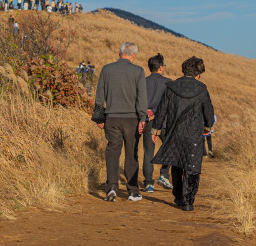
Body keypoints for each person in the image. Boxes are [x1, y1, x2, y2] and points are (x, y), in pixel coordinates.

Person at [152, 56, 215, 212]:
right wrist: (208, 126)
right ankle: (188, 201)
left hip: (174, 132)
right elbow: (208, 111)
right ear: (198, 74)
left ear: (184, 70)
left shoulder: (171, 87)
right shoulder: (202, 89)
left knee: (177, 164)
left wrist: (156, 129)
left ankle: (178, 197)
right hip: (193, 133)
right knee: (192, 167)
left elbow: (162, 110)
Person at [91, 43, 148, 202]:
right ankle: (133, 191)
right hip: (132, 120)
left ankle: (112, 187)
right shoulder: (138, 71)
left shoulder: (107, 69)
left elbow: (99, 95)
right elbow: (142, 98)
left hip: (112, 118)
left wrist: (99, 118)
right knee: (131, 154)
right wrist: (143, 118)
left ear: (119, 52)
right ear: (134, 55)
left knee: (112, 152)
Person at [142, 53, 172, 192]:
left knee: (148, 152)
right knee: (170, 147)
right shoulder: (168, 83)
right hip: (164, 122)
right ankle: (164, 174)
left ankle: (148, 183)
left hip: (148, 120)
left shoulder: (142, 81)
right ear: (161, 67)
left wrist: (148, 113)